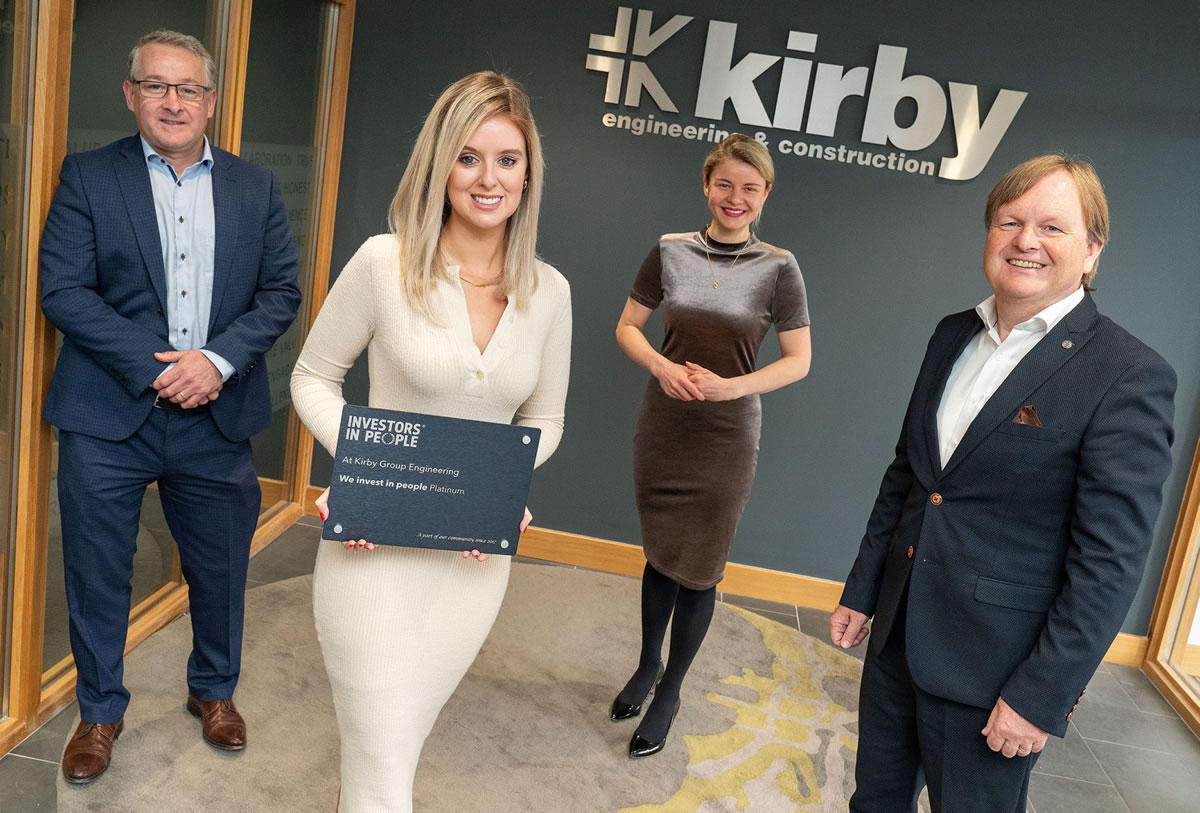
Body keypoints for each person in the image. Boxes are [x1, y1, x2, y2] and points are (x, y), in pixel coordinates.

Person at [829, 154, 1176, 812]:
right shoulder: (951, 334)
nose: (1025, 240)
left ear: (1092, 250)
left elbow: (1109, 563)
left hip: (995, 675)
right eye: (1010, 221)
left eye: (1052, 227)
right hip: (898, 639)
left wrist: (1041, 693)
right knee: (873, 803)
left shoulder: (1127, 375)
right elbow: (909, 474)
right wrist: (865, 589)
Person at [290, 71, 570, 811]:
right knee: (382, 766)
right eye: (468, 156)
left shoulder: (551, 292)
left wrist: (499, 486)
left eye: (507, 159)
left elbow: (547, 420)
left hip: (472, 563)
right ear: (440, 164)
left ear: (529, 171)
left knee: (394, 752)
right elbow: (313, 378)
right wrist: (363, 467)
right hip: (371, 550)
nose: (488, 178)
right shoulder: (385, 263)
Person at [40, 29, 301, 784]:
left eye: (188, 88)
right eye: (156, 86)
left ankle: (214, 691)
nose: (173, 101)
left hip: (215, 416)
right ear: (131, 95)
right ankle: (99, 708)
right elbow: (63, 290)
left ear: (211, 101)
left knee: (218, 570)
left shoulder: (255, 187)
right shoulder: (89, 176)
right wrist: (160, 370)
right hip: (107, 417)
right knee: (97, 573)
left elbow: (281, 291)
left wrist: (214, 362)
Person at [612, 134, 812, 758]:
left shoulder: (779, 266)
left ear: (765, 196)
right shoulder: (669, 250)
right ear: (707, 185)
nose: (736, 197)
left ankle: (670, 690)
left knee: (700, 569)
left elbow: (799, 361)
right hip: (665, 425)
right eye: (725, 184)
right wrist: (659, 367)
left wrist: (732, 389)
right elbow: (626, 327)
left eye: (750, 188)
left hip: (727, 434)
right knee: (660, 553)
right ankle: (647, 664)